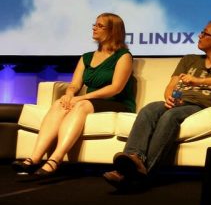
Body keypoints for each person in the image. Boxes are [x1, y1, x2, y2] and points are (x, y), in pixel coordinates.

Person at [103, 19, 211, 190]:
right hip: (179, 101)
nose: (200, 35)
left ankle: (144, 174)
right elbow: (171, 85)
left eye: (205, 33)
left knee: (170, 116)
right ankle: (132, 158)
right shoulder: (189, 60)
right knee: (149, 109)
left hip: (199, 106)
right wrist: (169, 98)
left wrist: (199, 81)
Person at [12, 13, 135, 177]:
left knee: (81, 105)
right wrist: (69, 94)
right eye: (94, 24)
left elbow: (115, 88)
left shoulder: (123, 56)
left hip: (116, 102)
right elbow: (75, 84)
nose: (94, 28)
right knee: (59, 104)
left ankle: (55, 159)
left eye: (100, 26)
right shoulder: (87, 57)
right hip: (92, 102)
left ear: (113, 31)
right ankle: (34, 159)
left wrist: (82, 97)